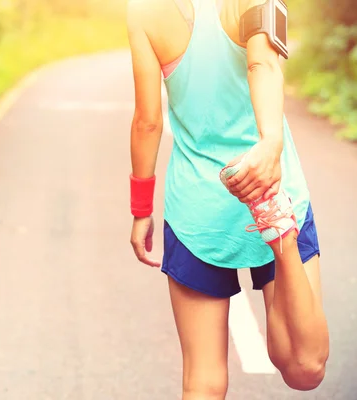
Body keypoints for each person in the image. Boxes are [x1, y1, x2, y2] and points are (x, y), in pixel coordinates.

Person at [126, 0, 330, 398]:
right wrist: (270, 145)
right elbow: (263, 63)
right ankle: (279, 232)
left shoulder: (143, 10)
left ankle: (277, 229)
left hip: (197, 207)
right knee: (305, 367)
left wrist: (140, 210)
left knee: (203, 381)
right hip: (274, 188)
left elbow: (147, 120)